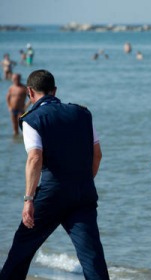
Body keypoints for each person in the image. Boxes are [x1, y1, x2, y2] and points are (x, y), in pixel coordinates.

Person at [0, 70, 109, 279]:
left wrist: (28, 200)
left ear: (30, 93)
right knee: (92, 256)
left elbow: (34, 159)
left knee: (22, 248)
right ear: (55, 91)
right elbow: (98, 155)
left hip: (52, 194)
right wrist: (84, 182)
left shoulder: (32, 120)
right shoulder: (83, 114)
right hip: (83, 192)